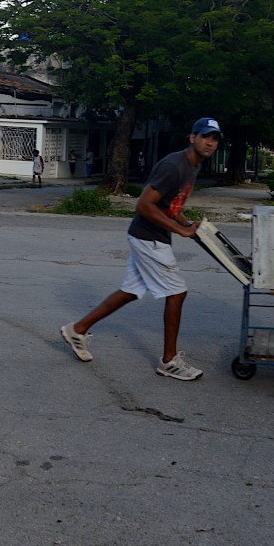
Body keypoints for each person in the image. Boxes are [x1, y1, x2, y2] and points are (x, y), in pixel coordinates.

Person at [60, 117, 223, 380]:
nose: (210, 143)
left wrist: (185, 221)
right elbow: (144, 205)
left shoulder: (193, 165)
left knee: (131, 291)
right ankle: (169, 361)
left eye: (214, 139)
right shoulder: (174, 165)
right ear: (192, 138)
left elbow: (170, 203)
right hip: (149, 238)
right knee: (177, 292)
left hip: (149, 236)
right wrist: (180, 230)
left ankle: (77, 330)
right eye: (206, 136)